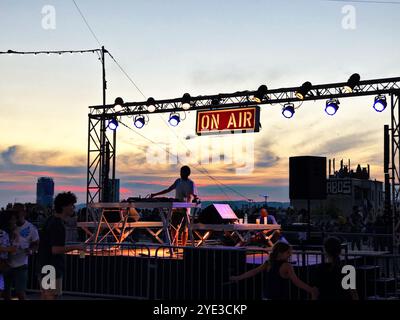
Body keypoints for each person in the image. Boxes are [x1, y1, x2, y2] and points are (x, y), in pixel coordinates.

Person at [37, 192, 85, 300]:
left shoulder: (50, 220)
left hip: (45, 265)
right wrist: (77, 247)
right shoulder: (57, 225)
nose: (73, 207)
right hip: (51, 267)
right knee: (51, 296)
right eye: (72, 205)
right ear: (64, 206)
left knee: (46, 295)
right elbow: (56, 249)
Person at [230, 242, 318, 300]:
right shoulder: (286, 266)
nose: (290, 255)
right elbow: (296, 281)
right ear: (280, 253)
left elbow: (253, 271)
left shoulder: (269, 263)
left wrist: (238, 277)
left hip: (266, 295)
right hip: (278, 296)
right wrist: (311, 290)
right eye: (288, 252)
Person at [150, 166, 198, 247]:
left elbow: (193, 196)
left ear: (187, 173)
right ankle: (175, 246)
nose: (180, 173)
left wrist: (190, 203)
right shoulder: (178, 181)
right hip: (176, 208)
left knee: (185, 230)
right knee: (173, 228)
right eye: (180, 172)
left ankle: (183, 247)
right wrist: (155, 194)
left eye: (182, 172)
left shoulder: (191, 183)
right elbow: (168, 189)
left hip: (186, 210)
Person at [3, 204, 39, 300]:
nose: (15, 215)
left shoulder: (31, 228)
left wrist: (31, 250)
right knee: (5, 292)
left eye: (17, 213)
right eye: (13, 213)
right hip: (5, 264)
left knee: (20, 292)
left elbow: (36, 243)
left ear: (24, 213)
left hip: (21, 264)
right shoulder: (6, 226)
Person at [0, 211, 17, 299]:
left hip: (4, 265)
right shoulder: (2, 233)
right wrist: (9, 249)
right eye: (13, 219)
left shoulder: (8, 233)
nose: (15, 221)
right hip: (2, 263)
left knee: (3, 288)